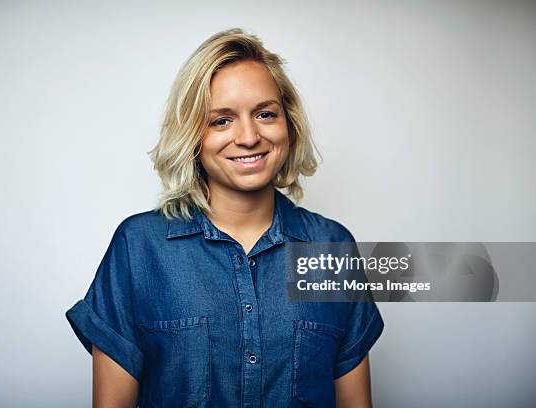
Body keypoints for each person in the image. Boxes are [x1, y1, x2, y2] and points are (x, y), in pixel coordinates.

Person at [65, 27, 384, 408]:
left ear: (289, 124)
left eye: (265, 114)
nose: (248, 137)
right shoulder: (139, 247)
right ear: (192, 135)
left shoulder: (331, 247)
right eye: (221, 120)